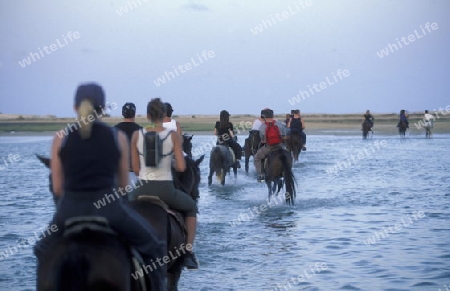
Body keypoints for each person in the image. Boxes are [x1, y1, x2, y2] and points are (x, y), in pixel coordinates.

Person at [34, 83, 166, 289]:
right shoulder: (117, 137)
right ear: (103, 109)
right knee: (155, 248)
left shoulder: (60, 138)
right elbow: (123, 186)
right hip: (110, 210)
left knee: (41, 250)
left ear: (75, 107)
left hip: (68, 212)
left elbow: (58, 188)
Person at [130, 97, 199, 270]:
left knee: (123, 208)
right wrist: (171, 163)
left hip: (141, 188)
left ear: (147, 116)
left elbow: (136, 170)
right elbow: (182, 167)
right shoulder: (173, 135)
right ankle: (188, 252)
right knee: (191, 208)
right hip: (165, 189)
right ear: (163, 115)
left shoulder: (137, 135)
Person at [253, 108, 288, 182]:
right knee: (288, 155)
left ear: (265, 117)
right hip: (280, 146)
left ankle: (260, 175)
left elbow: (263, 140)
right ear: (272, 115)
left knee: (257, 158)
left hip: (269, 147)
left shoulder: (262, 126)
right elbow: (284, 136)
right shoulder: (279, 124)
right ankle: (287, 172)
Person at [114, 102, 142, 184]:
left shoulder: (114, 130)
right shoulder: (141, 130)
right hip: (136, 173)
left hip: (118, 173)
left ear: (123, 113)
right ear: (134, 113)